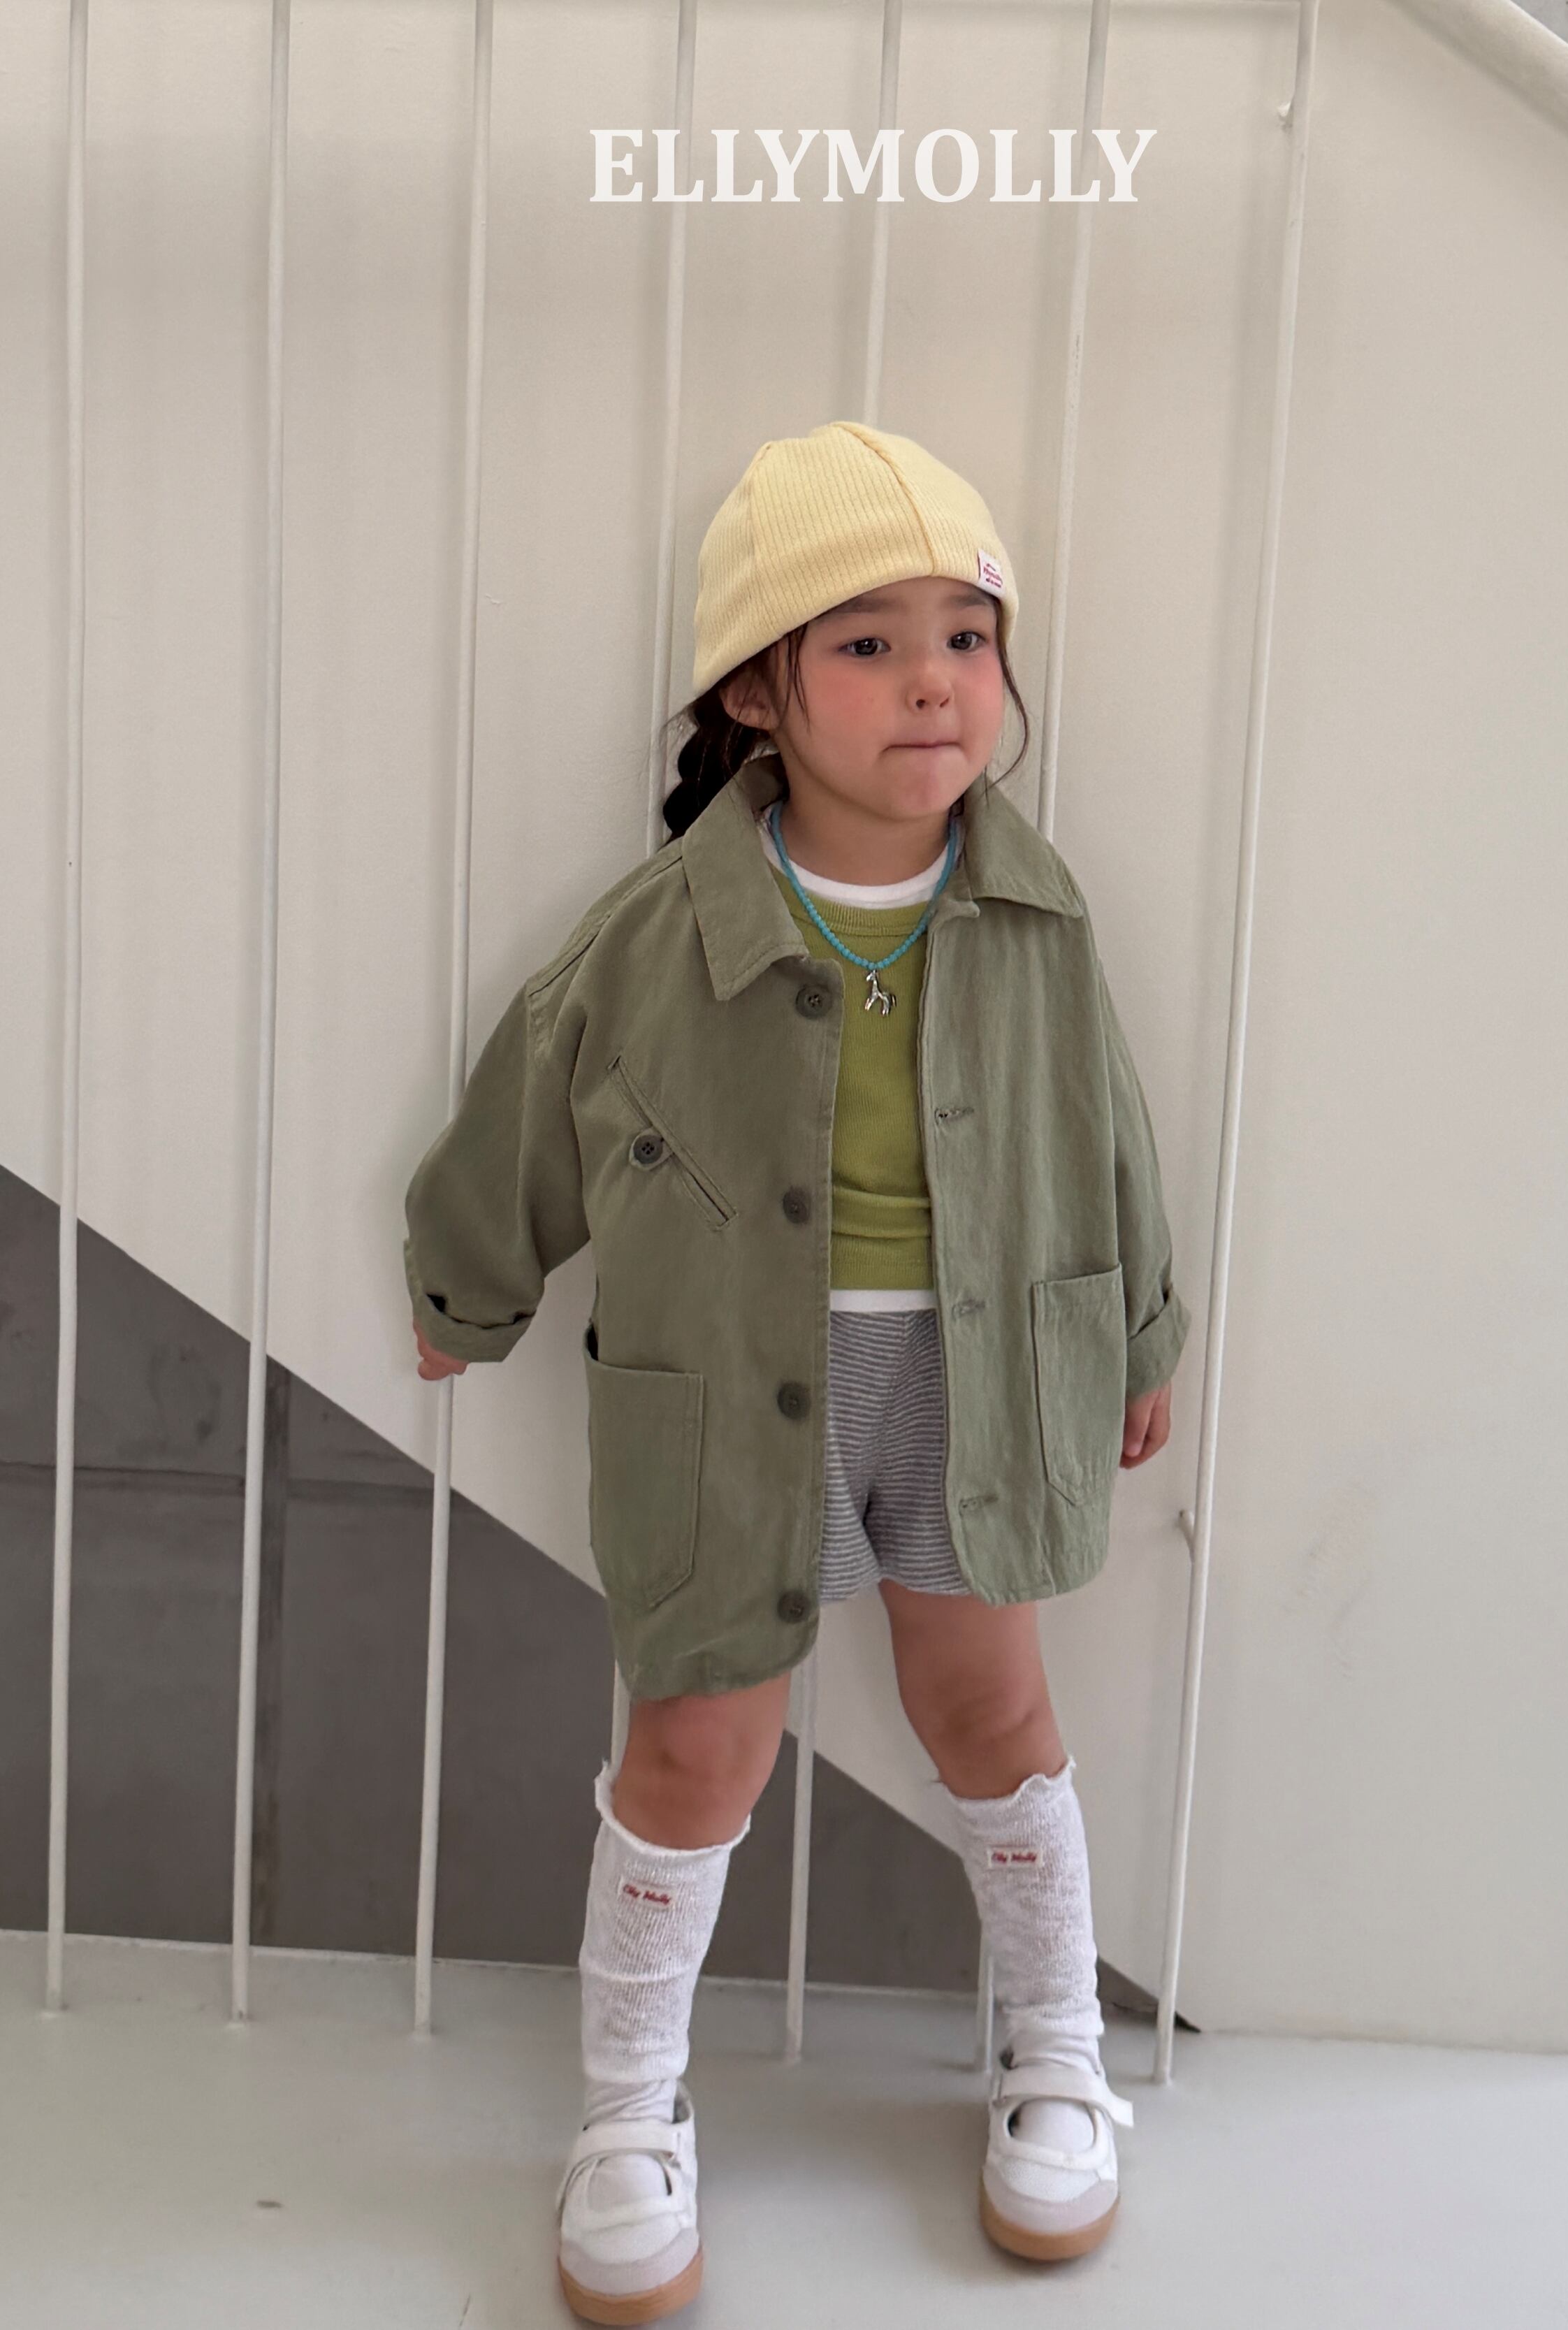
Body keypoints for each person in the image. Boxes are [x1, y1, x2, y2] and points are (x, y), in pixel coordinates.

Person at [403, 420, 1192, 2324]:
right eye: (868, 642)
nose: (934, 680)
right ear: (757, 692)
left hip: (980, 1370)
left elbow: (1103, 1128)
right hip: (729, 1380)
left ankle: (1053, 2054)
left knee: (989, 1710)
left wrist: (1141, 1330)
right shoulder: (664, 928)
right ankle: (626, 2111)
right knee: (694, 1745)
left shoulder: (1036, 910)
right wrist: (468, 1286)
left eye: (966, 637)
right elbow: (533, 1105)